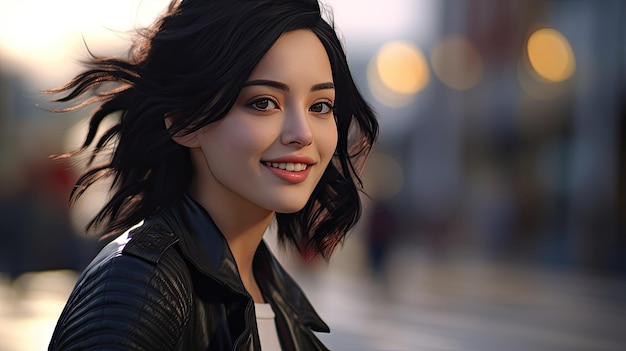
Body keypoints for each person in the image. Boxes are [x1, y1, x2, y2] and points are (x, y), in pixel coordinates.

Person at [47, 0, 377, 350]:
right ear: (183, 121)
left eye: (320, 107)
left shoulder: (280, 301)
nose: (303, 133)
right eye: (264, 102)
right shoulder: (137, 286)